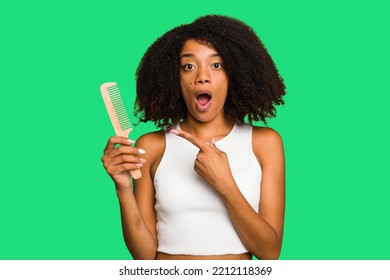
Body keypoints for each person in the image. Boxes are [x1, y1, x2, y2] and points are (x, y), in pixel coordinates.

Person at [101, 15, 286, 260]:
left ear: (236, 74)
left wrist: (225, 185)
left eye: (216, 65)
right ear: (173, 77)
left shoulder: (265, 143)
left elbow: (270, 252)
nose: (202, 76)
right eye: (189, 66)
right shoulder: (151, 146)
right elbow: (144, 257)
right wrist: (123, 188)